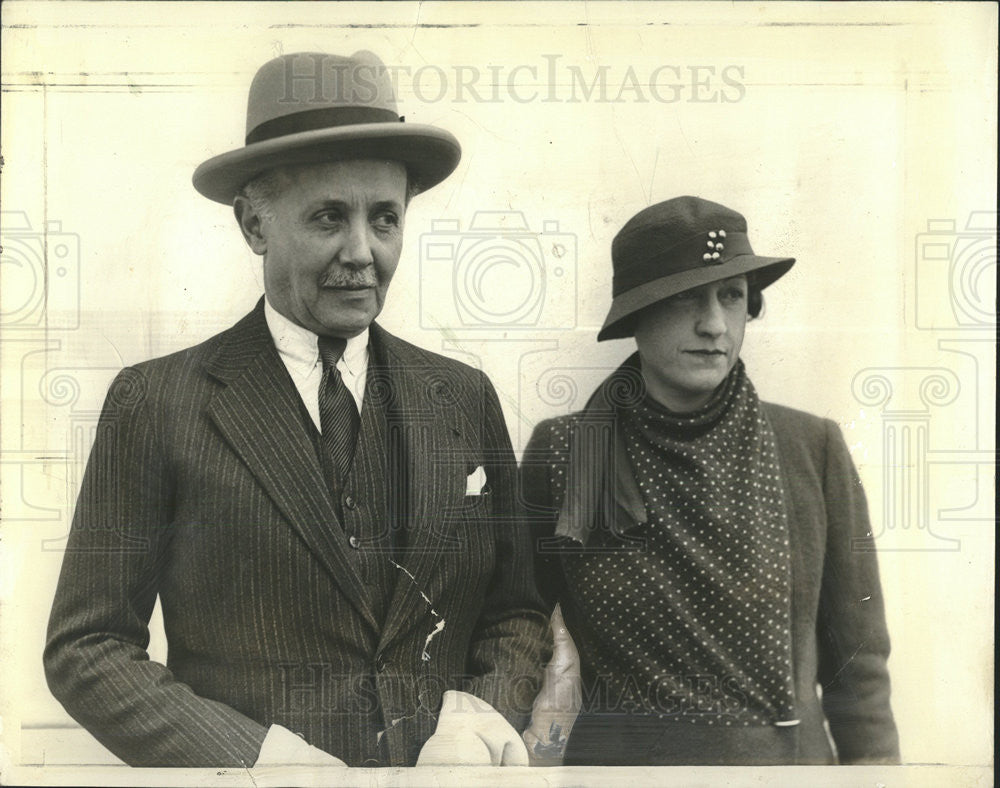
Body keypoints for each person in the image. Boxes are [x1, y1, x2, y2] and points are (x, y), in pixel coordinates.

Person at [44, 50, 549, 769]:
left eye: (384, 219)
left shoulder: (463, 395)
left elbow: (517, 611)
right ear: (254, 225)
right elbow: (86, 649)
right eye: (326, 219)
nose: (362, 252)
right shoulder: (157, 401)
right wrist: (257, 760)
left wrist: (479, 714)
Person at [520, 196, 900, 765]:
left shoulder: (809, 449)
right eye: (685, 298)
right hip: (624, 775)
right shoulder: (567, 453)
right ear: (636, 315)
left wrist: (878, 778)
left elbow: (860, 669)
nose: (714, 325)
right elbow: (517, 624)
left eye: (731, 296)